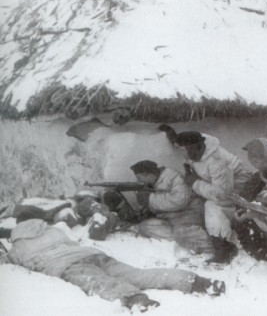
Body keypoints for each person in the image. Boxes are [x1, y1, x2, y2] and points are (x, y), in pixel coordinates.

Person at [1, 217, 225, 312]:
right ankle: (196, 281)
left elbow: (8, 265)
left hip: (71, 266)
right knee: (139, 275)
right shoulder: (52, 230)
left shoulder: (18, 247)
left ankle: (135, 299)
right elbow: (71, 240)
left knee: (100, 283)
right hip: (93, 254)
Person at [175, 131, 253, 265]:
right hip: (217, 184)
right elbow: (179, 141)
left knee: (212, 206)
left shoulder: (218, 161)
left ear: (199, 146)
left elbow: (220, 194)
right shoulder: (195, 147)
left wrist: (194, 182)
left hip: (240, 189)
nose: (186, 156)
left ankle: (224, 247)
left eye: (188, 152)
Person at [130, 160, 212, 253]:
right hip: (171, 218)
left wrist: (150, 199)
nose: (138, 181)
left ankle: (211, 247)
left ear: (147, 174)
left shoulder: (174, 177)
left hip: (189, 214)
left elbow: (180, 201)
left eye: (139, 178)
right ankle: (185, 239)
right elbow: (159, 204)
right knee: (145, 227)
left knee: (181, 232)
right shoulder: (151, 184)